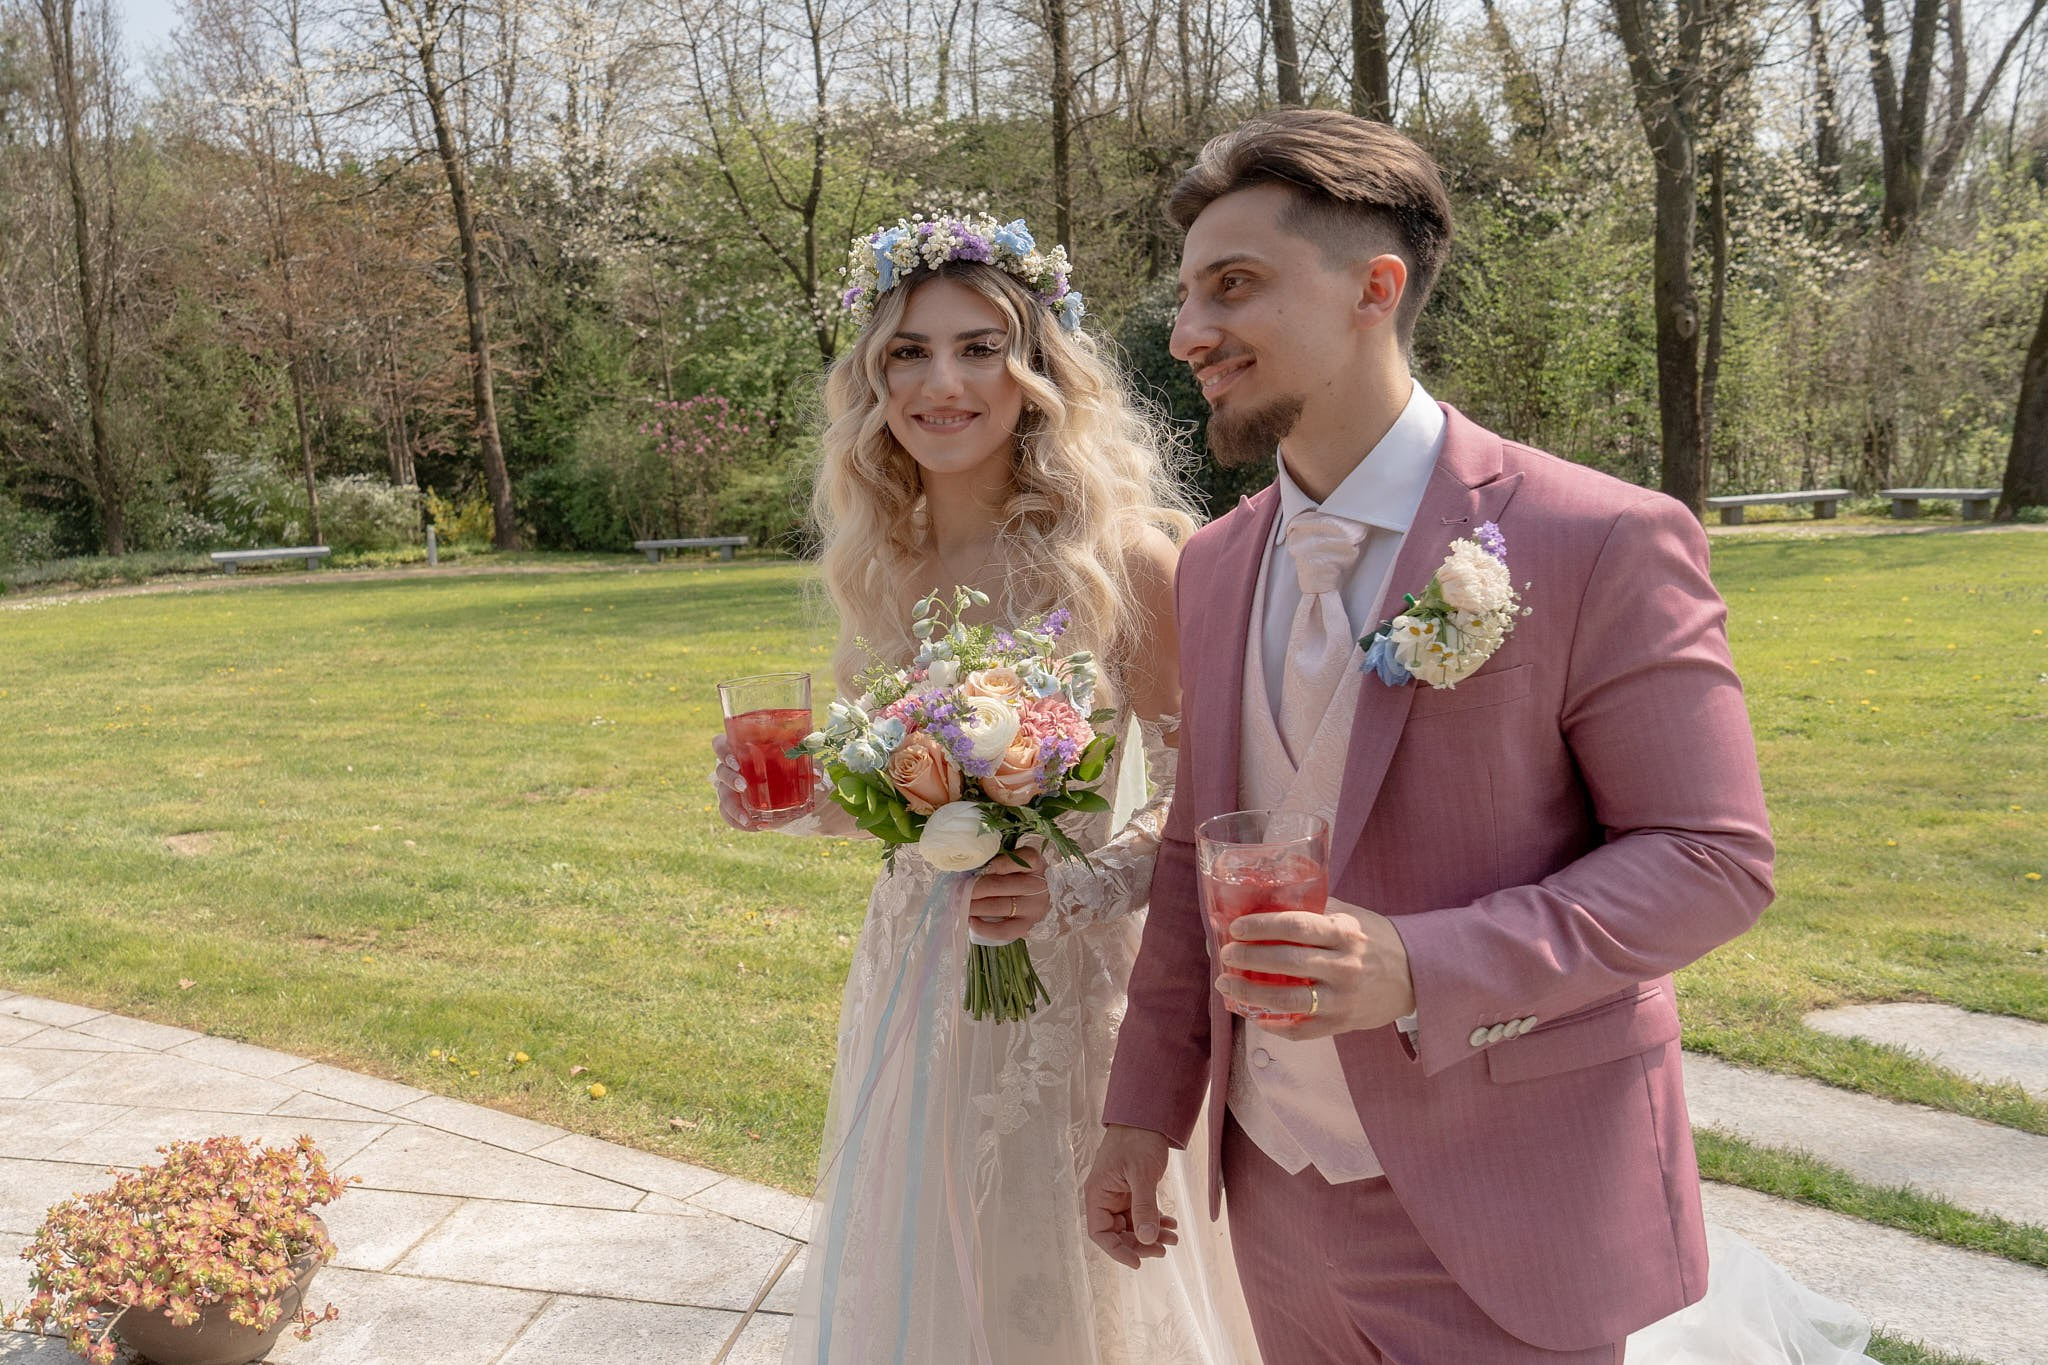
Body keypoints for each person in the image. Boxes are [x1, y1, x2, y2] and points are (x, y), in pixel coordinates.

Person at [1082, 108, 1831, 1363]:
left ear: (1375, 287)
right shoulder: (1208, 566)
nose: (1187, 334)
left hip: (1508, 1201)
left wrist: (1416, 964)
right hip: (1269, 1188)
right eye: (1185, 295)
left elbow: (1709, 857)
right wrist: (1141, 1115)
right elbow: (1186, 858)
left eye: (1234, 286)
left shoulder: (1594, 538)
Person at [712, 214, 1256, 1364]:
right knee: (921, 1269)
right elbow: (903, 805)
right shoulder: (880, 562)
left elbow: (1203, 804)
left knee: (1053, 1284)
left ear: (1038, 374)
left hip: (1063, 991)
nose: (940, 382)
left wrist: (1070, 892)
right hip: (912, 972)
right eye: (906, 352)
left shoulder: (1129, 563)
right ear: (870, 379)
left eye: (977, 348)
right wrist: (803, 796)